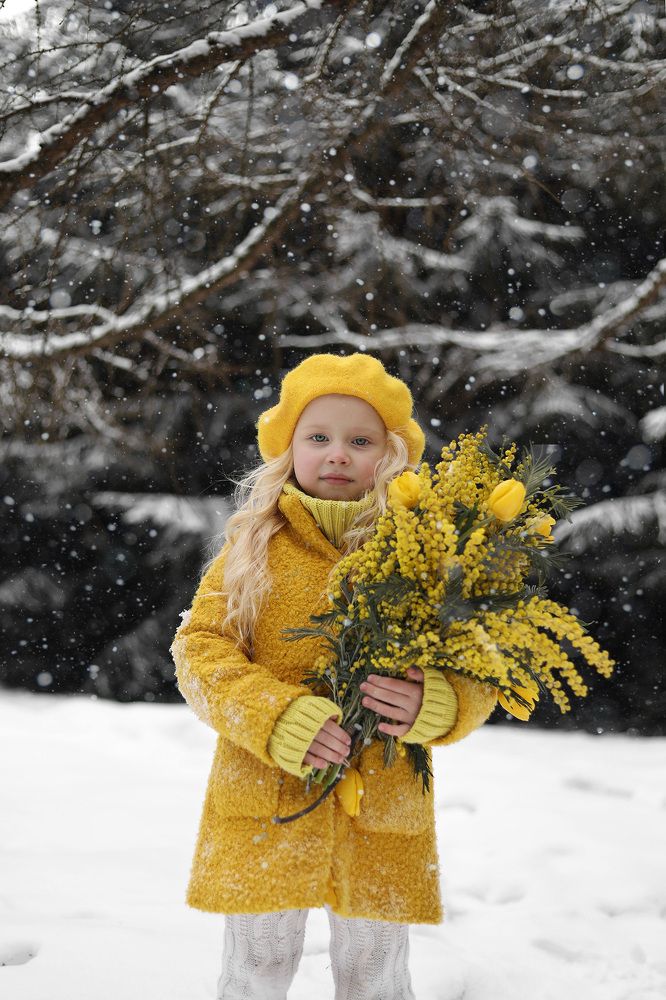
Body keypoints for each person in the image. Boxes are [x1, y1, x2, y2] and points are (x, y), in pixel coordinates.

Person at [170, 352, 498, 1000]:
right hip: (266, 802)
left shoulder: (423, 554)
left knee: (375, 978)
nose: (338, 454)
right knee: (255, 971)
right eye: (318, 438)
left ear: (391, 454)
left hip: (382, 804)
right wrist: (275, 715)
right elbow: (199, 653)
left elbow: (478, 664)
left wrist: (435, 704)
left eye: (360, 440)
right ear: (288, 449)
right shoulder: (253, 546)